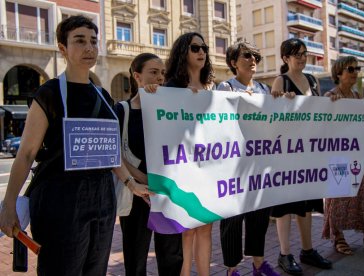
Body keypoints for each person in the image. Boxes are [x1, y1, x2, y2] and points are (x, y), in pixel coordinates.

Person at [0, 15, 149, 275]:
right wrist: (9, 204)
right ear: (63, 48)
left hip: (102, 200)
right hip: (59, 201)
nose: (89, 48)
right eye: (80, 41)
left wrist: (130, 183)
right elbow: (26, 154)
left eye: (93, 41)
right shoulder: (49, 93)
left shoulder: (103, 97)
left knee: (95, 270)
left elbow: (110, 153)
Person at [114, 53, 183, 276]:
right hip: (136, 196)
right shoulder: (122, 110)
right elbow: (115, 154)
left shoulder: (171, 110)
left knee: (171, 256)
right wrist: (140, 180)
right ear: (137, 76)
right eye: (153, 72)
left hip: (166, 194)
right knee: (135, 258)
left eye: (162, 73)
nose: (160, 78)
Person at [217, 40, 278, 276]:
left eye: (255, 57)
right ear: (233, 62)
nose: (253, 60)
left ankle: (258, 264)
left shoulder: (264, 90)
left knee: (259, 216)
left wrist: (286, 100)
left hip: (259, 163)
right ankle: (232, 270)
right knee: (233, 218)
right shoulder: (226, 87)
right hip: (233, 165)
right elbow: (219, 119)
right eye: (246, 56)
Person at [271, 38, 332, 275]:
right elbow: (273, 117)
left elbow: (320, 112)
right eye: (297, 54)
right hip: (286, 155)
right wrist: (280, 103)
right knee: (285, 207)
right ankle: (285, 254)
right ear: (285, 58)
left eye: (305, 54)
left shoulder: (313, 81)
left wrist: (333, 102)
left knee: (306, 205)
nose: (302, 58)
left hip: (309, 153)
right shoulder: (281, 80)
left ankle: (307, 250)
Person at [322, 56, 364, 255]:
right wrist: (329, 108)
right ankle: (338, 238)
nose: (354, 73)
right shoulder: (330, 96)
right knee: (339, 194)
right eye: (350, 69)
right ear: (338, 73)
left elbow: (363, 127)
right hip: (340, 151)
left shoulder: (359, 97)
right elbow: (324, 127)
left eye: (356, 69)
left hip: (361, 149)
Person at [164, 32, 215, 276]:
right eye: (195, 47)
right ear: (183, 52)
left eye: (204, 47)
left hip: (210, 169)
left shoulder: (213, 88)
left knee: (206, 228)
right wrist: (154, 92)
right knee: (187, 228)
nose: (201, 52)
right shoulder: (170, 88)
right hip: (182, 169)